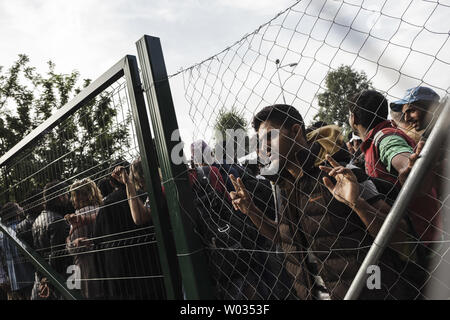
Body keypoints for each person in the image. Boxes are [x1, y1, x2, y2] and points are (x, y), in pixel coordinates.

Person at [230, 104, 422, 300]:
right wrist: (252, 211)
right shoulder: (284, 186)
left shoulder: (342, 173)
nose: (264, 147)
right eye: (260, 141)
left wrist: (357, 203)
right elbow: (285, 239)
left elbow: (399, 234)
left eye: (270, 136)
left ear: (296, 131)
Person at [348, 90, 441, 245]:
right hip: (417, 236)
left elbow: (403, 159)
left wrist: (410, 165)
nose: (406, 117)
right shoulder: (374, 142)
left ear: (353, 118)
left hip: (422, 240)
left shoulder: (385, 138)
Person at [93, 160, 166, 300]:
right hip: (153, 271)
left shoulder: (107, 205)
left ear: (111, 182)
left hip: (123, 278)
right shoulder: (147, 195)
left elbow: (98, 242)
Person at [31, 181, 72, 300]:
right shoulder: (58, 221)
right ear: (60, 197)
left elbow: (38, 253)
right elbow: (58, 255)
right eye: (66, 194)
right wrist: (49, 280)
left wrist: (43, 278)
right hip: (59, 281)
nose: (68, 197)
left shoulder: (37, 221)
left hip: (46, 276)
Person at [65, 178, 103, 299]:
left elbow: (74, 248)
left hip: (85, 268)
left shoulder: (77, 217)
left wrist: (68, 243)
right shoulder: (102, 210)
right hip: (104, 263)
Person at [0, 202, 36, 299]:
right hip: (29, 276)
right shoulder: (22, 228)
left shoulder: (2, 234)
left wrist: (2, 278)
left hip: (14, 280)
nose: (22, 208)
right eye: (19, 207)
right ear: (16, 213)